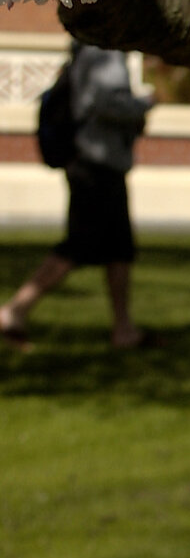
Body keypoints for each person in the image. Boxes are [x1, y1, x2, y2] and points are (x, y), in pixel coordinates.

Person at [1, 43, 156, 349]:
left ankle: (123, 328)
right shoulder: (103, 51)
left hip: (101, 162)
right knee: (79, 245)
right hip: (95, 163)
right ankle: (13, 312)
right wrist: (143, 105)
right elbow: (105, 103)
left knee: (119, 248)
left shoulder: (89, 48)